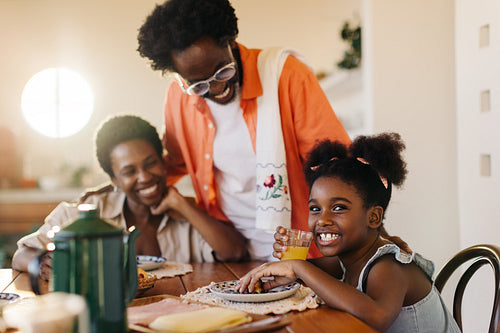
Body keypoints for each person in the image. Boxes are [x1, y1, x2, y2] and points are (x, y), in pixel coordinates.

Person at [136, 0, 351, 260]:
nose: (216, 89)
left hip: (301, 251)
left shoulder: (286, 75)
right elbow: (173, 163)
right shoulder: (178, 97)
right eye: (199, 85)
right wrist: (115, 191)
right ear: (179, 78)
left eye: (222, 71)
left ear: (230, 40)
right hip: (232, 251)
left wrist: (369, 239)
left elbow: (336, 166)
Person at [238, 133, 460, 332]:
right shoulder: (350, 256)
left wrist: (299, 266)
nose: (322, 220)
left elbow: (376, 318)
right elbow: (319, 275)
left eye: (338, 208)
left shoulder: (388, 266)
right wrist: (286, 268)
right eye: (315, 208)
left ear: (373, 217)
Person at [12, 115, 248, 279]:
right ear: (113, 179)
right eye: (129, 171)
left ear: (163, 162)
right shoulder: (85, 210)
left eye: (151, 163)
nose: (144, 177)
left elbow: (235, 252)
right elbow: (21, 255)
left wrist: (181, 205)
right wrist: (41, 262)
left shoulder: (186, 213)